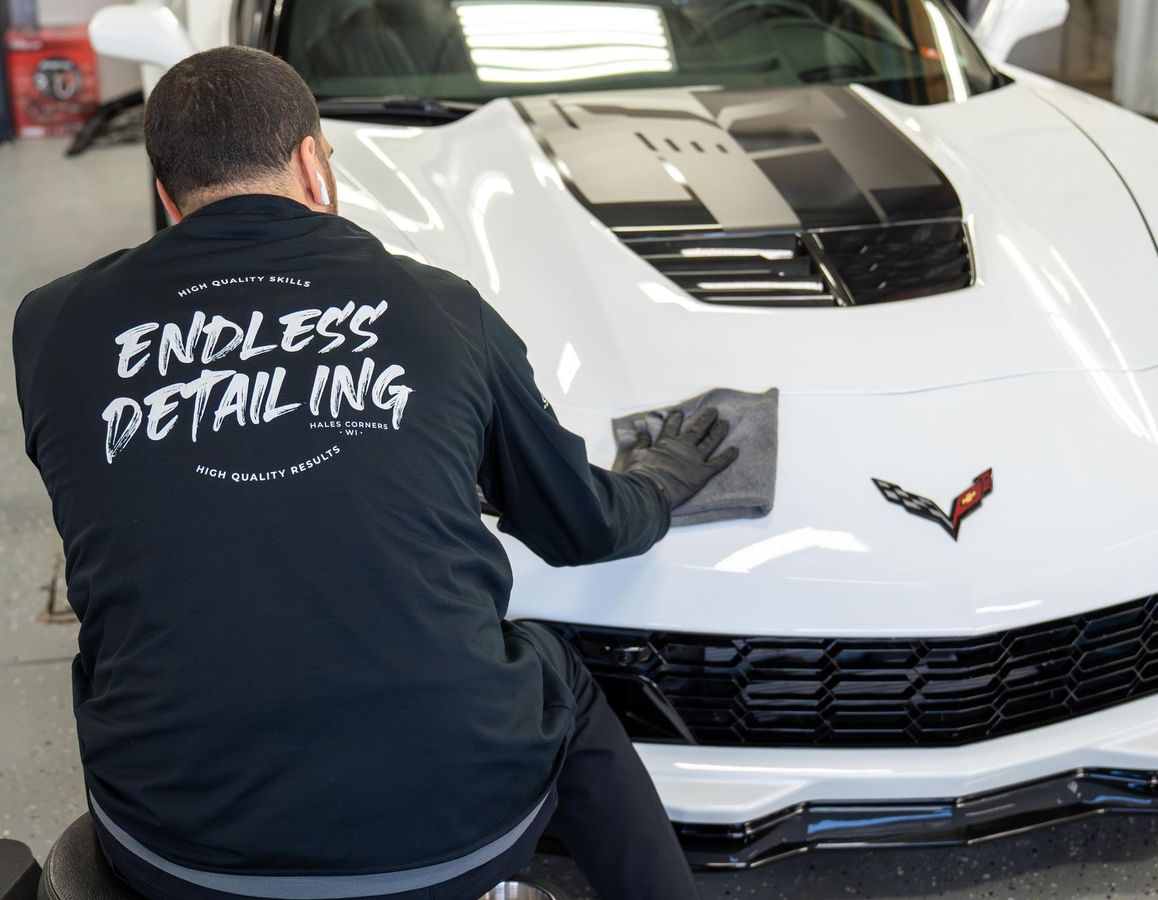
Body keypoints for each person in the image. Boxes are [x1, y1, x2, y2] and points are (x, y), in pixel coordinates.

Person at [12, 46, 737, 900]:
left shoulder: (51, 323)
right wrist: (656, 481)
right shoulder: (441, 307)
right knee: (551, 665)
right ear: (315, 164)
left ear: (167, 195)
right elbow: (582, 528)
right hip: (458, 842)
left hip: (173, 854)